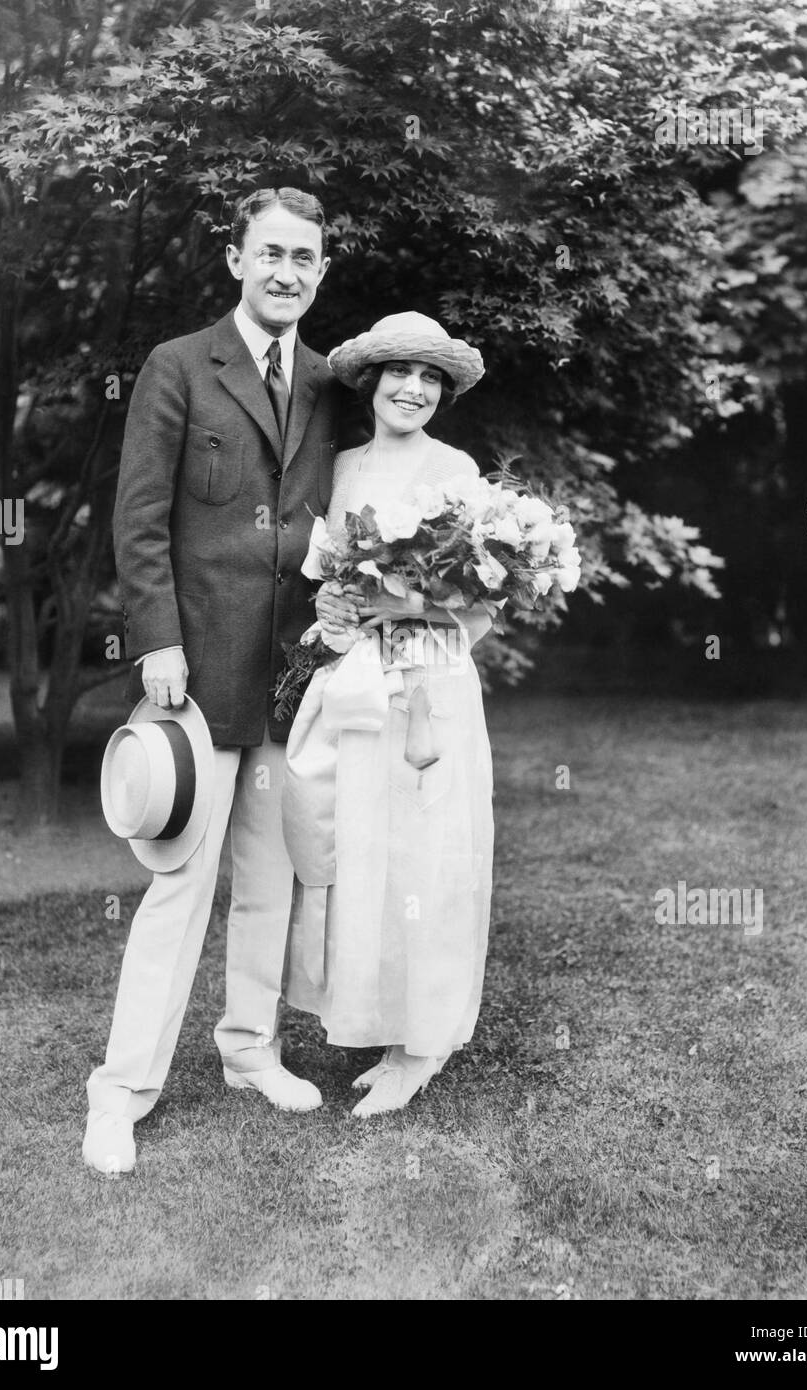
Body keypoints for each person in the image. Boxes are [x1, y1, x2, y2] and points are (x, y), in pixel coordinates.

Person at [83, 187, 356, 1174]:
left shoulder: (330, 381)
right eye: (270, 253)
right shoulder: (176, 366)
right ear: (236, 260)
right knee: (176, 889)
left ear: (319, 274)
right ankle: (119, 1092)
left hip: (288, 676)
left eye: (304, 259)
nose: (286, 271)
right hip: (192, 678)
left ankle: (249, 1050)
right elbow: (138, 520)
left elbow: (337, 520)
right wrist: (154, 638)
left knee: (269, 885)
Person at [282, 312, 494, 1117]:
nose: (413, 389)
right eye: (400, 372)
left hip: (430, 680)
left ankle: (421, 1043)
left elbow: (477, 605)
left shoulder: (458, 471)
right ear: (371, 381)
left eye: (430, 377)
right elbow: (326, 584)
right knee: (364, 848)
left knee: (430, 854)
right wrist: (340, 616)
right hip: (359, 681)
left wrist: (403, 608)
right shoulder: (335, 472)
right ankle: (378, 1018)